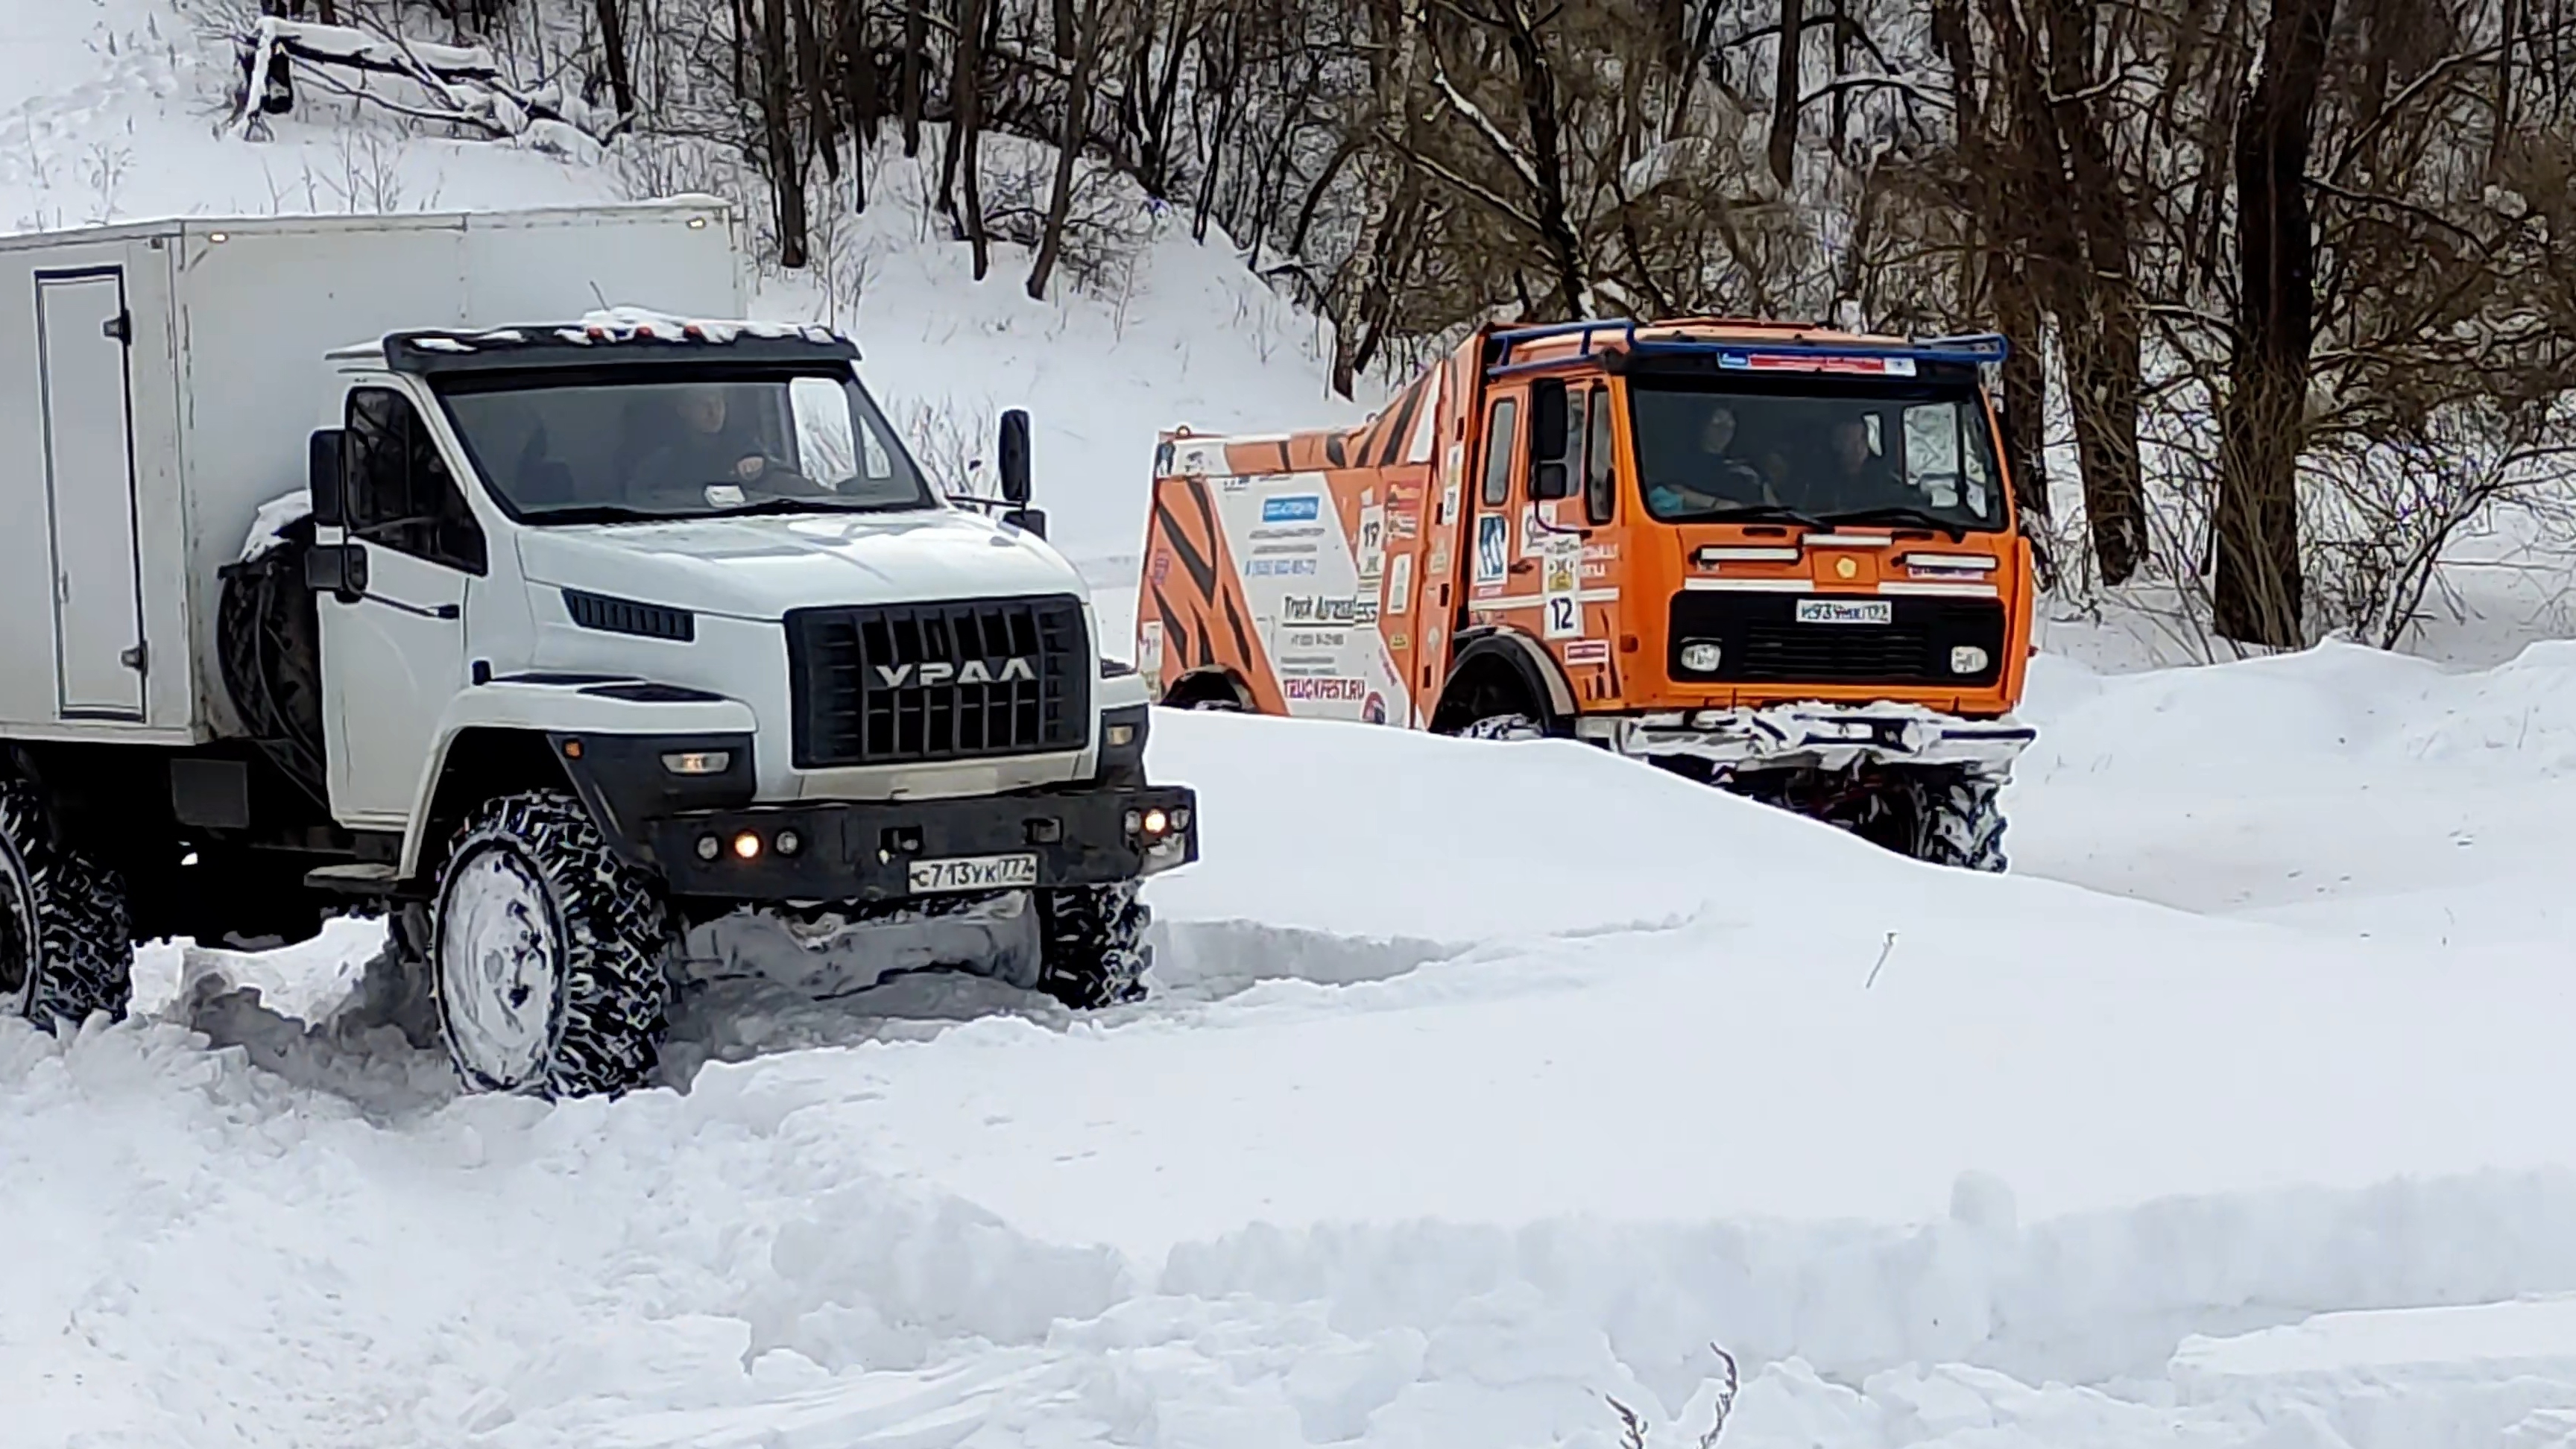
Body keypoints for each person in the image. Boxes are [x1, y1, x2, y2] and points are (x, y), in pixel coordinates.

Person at [634, 385, 784, 506]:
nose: (714, 412)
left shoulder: (745, 444)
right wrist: (703, 498)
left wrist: (762, 466)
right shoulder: (663, 457)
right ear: (684, 410)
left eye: (719, 403)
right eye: (704, 405)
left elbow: (785, 475)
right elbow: (642, 497)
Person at [1647, 403, 1777, 517]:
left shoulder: (1746, 468)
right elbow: (1671, 488)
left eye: (1730, 427)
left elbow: (1773, 507)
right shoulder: (1682, 462)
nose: (1724, 432)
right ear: (1703, 426)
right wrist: (1715, 504)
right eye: (1718, 425)